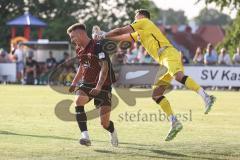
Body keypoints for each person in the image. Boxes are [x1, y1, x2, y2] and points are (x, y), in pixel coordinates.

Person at [97, 9, 216, 141]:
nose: (135, 19)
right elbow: (122, 37)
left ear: (143, 17)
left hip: (168, 54)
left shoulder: (144, 22)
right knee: (156, 94)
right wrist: (104, 36)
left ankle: (207, 97)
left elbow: (121, 30)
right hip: (164, 60)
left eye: (136, 17)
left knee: (178, 76)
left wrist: (104, 33)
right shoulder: (142, 32)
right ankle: (174, 122)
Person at [67, 23, 118, 147]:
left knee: (104, 124)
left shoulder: (98, 46)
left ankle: (112, 131)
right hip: (87, 84)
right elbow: (81, 66)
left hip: (103, 86)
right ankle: (85, 136)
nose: (72, 40)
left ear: (80, 34)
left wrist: (99, 86)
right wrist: (74, 82)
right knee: (78, 101)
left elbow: (104, 68)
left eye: (73, 37)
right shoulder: (79, 49)